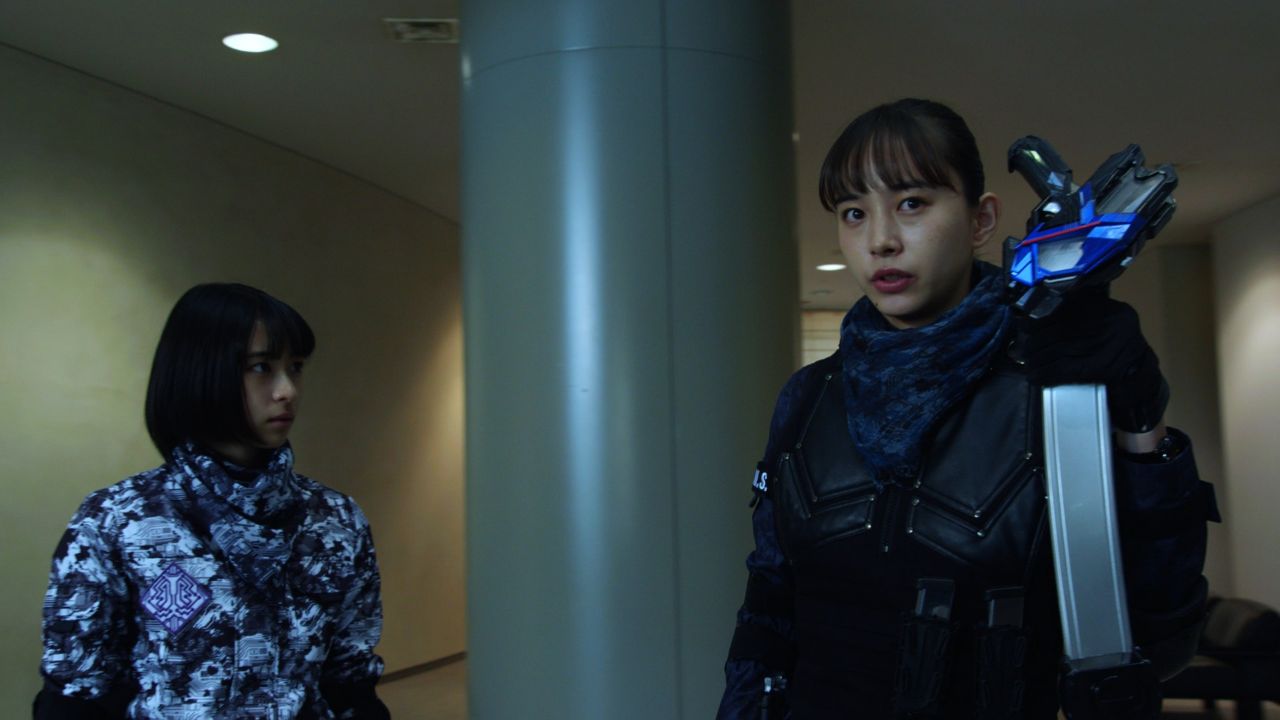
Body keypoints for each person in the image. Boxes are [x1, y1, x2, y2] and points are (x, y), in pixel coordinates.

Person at [716, 99, 1218, 718]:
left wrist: (1139, 414)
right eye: (854, 212)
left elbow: (1162, 640)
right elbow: (767, 607)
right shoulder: (808, 396)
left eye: (912, 203)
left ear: (981, 220)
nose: (880, 240)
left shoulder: (1058, 394)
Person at [35, 283, 390, 719]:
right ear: (200, 372)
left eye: (295, 367)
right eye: (260, 367)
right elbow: (77, 693)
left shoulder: (336, 520)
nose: (287, 390)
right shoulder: (118, 520)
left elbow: (351, 684)